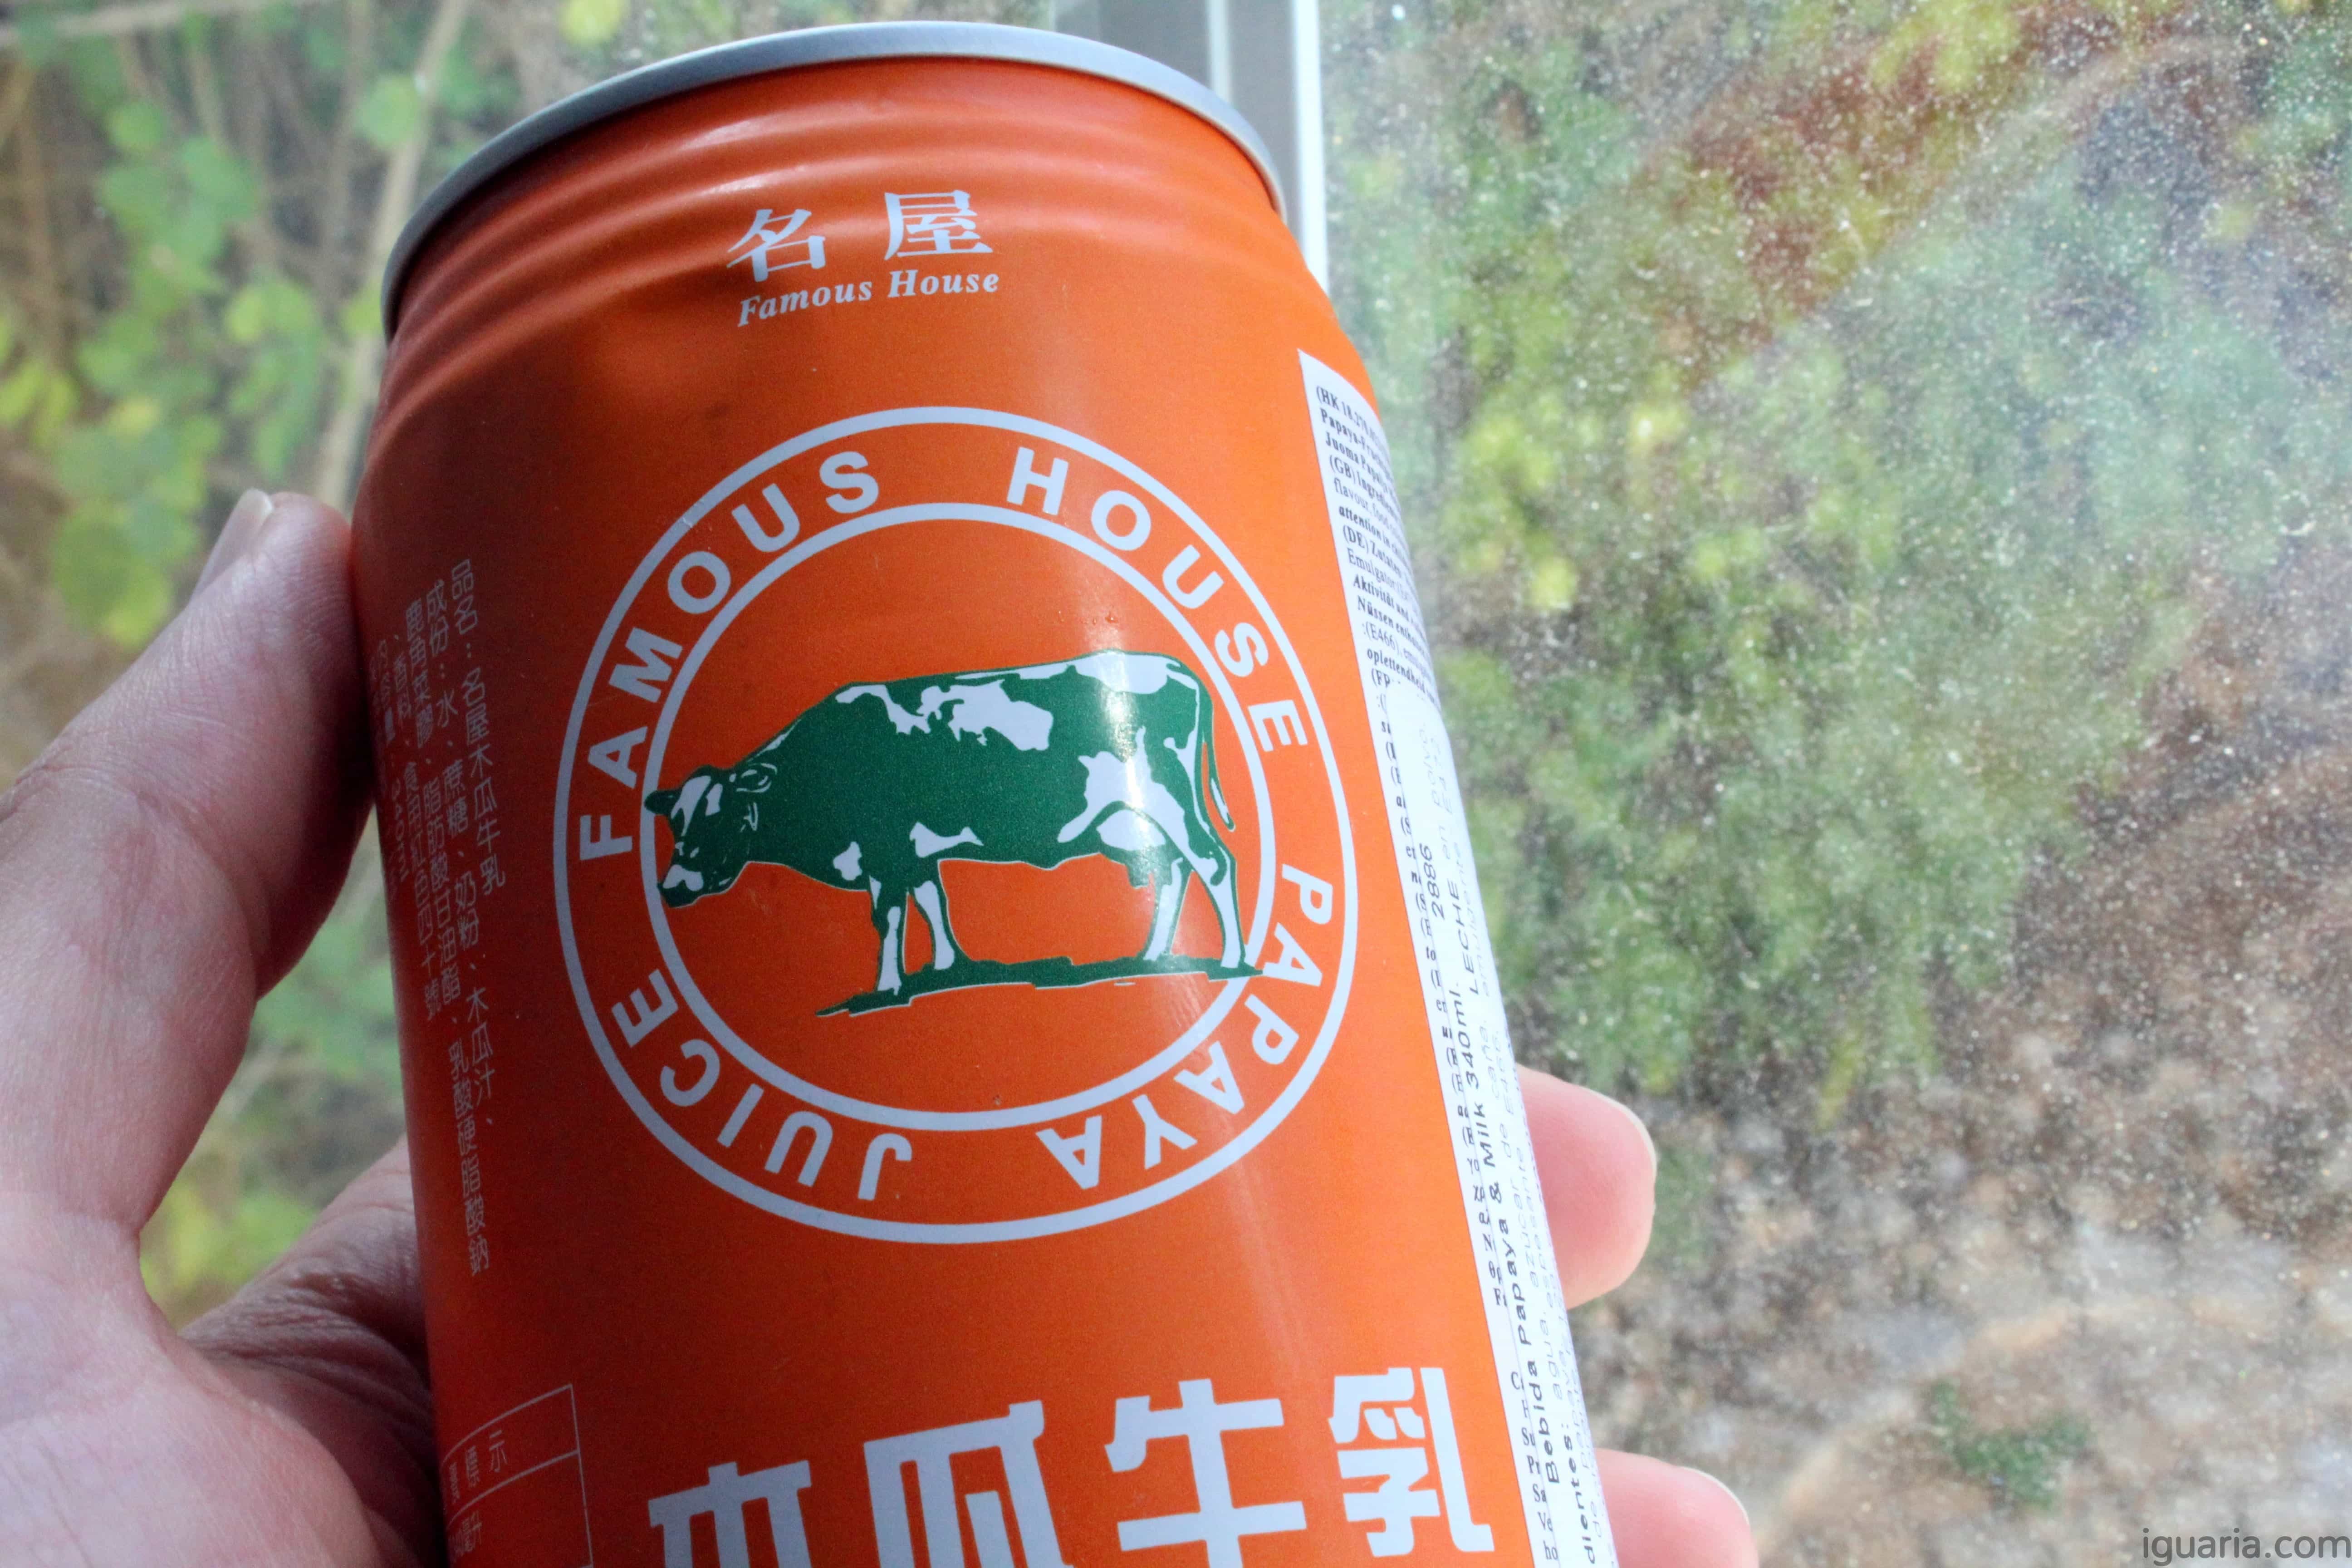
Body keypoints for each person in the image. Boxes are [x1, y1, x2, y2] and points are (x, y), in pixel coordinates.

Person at [0, 491, 1760, 1568]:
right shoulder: (790, 783)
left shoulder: (890, 746)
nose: (699, 865)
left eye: (704, 840)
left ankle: (1180, 917)